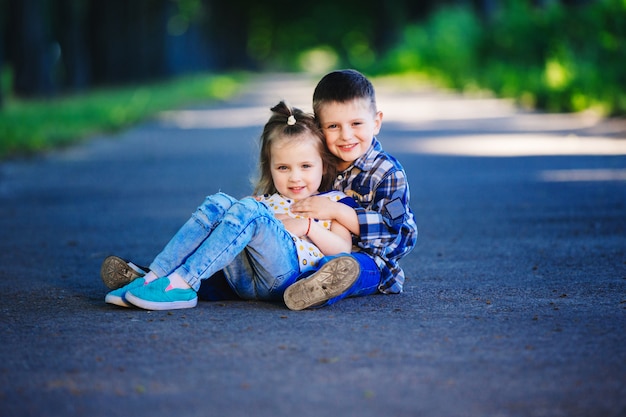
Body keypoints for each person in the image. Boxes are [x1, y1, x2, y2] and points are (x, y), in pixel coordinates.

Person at [103, 101, 359, 310]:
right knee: (219, 203)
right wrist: (247, 210)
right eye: (283, 167)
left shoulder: (331, 202)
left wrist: (308, 227)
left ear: (323, 166)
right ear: (270, 169)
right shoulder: (267, 201)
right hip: (243, 280)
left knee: (249, 211)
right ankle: (155, 277)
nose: (294, 177)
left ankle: (182, 283)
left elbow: (343, 248)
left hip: (288, 278)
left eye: (305, 166)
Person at [283, 69, 418, 310]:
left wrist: (335, 211)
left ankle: (317, 286)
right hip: (315, 249)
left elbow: (390, 229)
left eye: (356, 123)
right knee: (302, 261)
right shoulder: (317, 163)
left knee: (350, 267)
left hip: (373, 262)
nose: (346, 136)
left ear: (376, 123)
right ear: (318, 128)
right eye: (333, 126)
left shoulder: (388, 173)